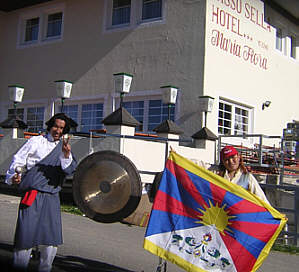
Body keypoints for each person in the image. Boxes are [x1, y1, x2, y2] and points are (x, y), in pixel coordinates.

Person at [5, 113, 77, 272]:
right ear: (50, 126)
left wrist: (66, 154)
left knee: (50, 239)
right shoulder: (35, 141)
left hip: (52, 196)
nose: (57, 130)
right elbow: (18, 160)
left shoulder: (64, 148)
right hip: (33, 194)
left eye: (61, 128)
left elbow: (69, 170)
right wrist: (13, 177)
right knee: (25, 234)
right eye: (55, 126)